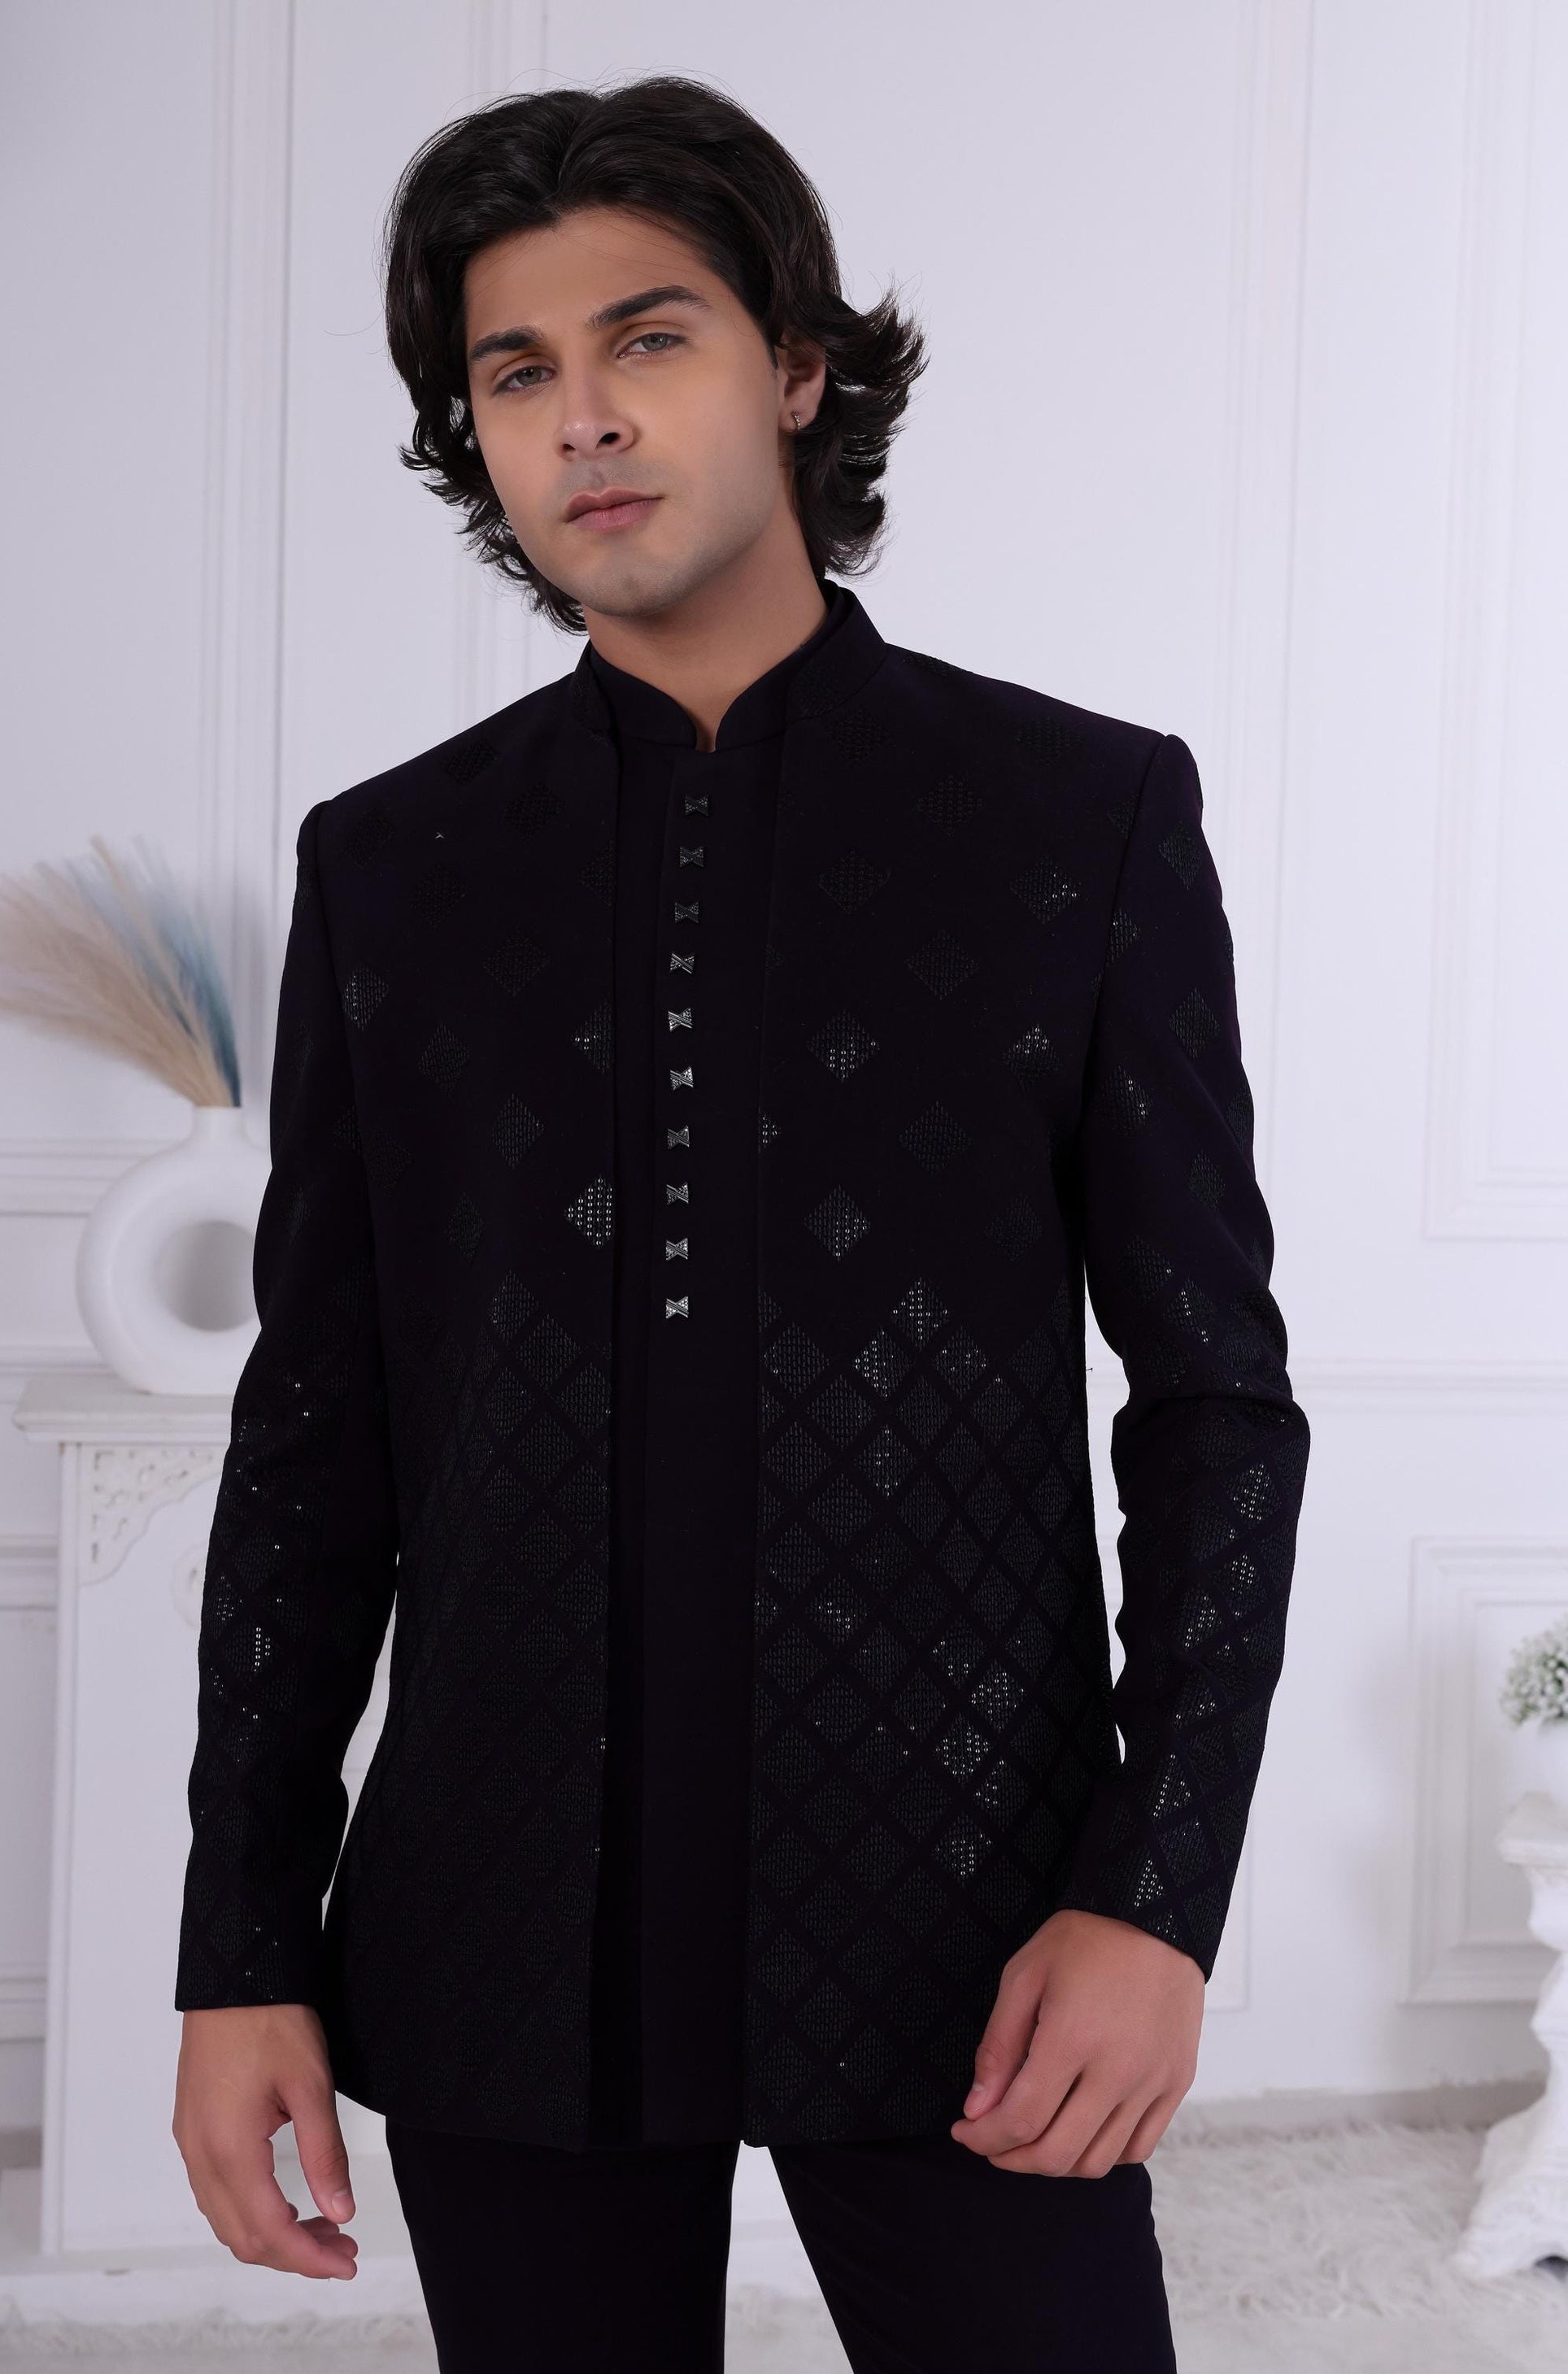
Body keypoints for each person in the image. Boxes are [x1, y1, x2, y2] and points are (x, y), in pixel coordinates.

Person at [172, 74, 1309, 2372]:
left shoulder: (1074, 820)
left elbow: (1213, 1404)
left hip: (977, 1912)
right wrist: (240, 1945)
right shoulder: (392, 870)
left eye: (648, 337)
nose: (582, 418)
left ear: (794, 364)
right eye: (515, 372)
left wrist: (1153, 1896)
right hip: (501, 1915)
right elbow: (314, 1440)